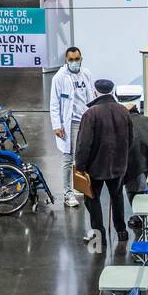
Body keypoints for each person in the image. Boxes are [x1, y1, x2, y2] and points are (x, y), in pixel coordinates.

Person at [74, 79, 132, 247]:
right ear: (112, 91)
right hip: (119, 166)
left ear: (95, 92)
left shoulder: (91, 113)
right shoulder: (123, 111)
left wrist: (80, 167)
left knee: (92, 199)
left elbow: (84, 144)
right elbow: (130, 139)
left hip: (95, 168)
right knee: (117, 197)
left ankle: (99, 237)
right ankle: (121, 231)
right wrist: (123, 158)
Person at [49, 46, 95, 209]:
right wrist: (57, 125)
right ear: (66, 60)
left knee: (84, 156)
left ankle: (79, 186)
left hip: (87, 122)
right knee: (68, 158)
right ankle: (68, 193)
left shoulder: (86, 74)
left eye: (77, 59)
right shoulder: (59, 78)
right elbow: (54, 104)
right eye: (71, 60)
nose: (75, 62)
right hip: (70, 124)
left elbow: (91, 96)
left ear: (81, 59)